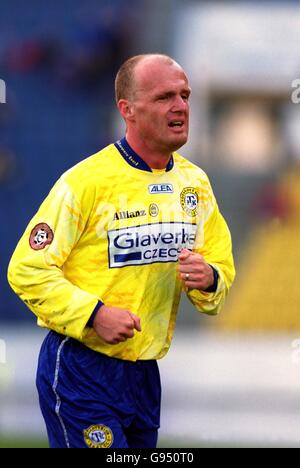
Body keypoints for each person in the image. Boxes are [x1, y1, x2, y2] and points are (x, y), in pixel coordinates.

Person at [7, 54, 235, 449]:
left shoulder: (194, 184)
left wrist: (209, 278)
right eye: (165, 96)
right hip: (82, 366)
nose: (180, 106)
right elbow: (26, 269)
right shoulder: (85, 182)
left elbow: (219, 273)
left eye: (184, 95)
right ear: (127, 110)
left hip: (144, 373)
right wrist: (94, 315)